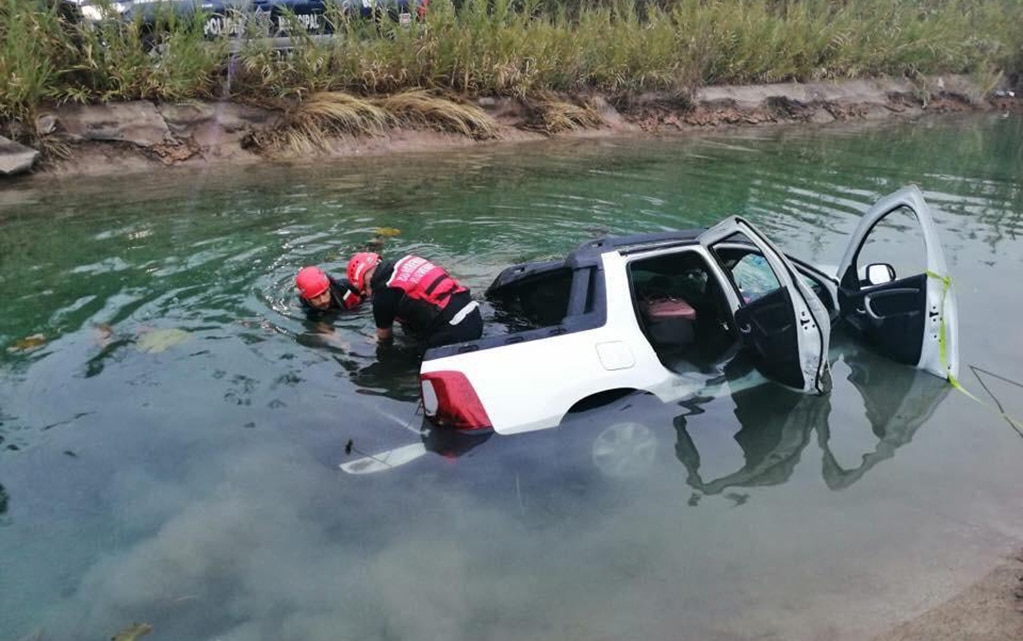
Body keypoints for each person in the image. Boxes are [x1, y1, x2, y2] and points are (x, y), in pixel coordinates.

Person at [346, 251, 483, 349]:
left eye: (364, 291)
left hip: (454, 332)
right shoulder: (408, 260)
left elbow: (385, 338)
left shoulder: (382, 293)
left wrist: (372, 341)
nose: (367, 295)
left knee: (404, 363)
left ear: (362, 283)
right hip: (474, 314)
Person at [295, 266, 363, 319]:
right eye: (316, 297)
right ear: (307, 299)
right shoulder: (305, 304)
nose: (323, 300)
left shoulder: (345, 287)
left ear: (329, 288)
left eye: (324, 293)